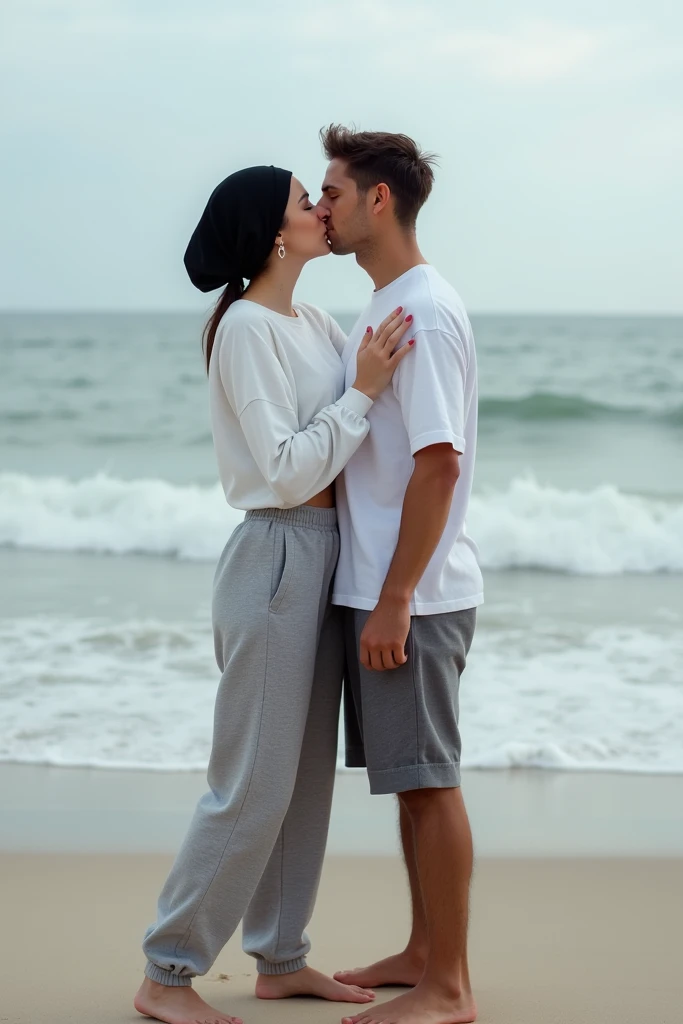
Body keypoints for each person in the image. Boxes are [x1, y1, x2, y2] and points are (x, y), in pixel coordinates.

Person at [133, 165, 415, 1024]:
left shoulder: (320, 322)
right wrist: (364, 389)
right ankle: (167, 974)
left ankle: (281, 958)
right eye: (304, 200)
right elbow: (289, 470)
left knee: (302, 779)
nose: (320, 209)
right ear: (271, 231)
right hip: (275, 557)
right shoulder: (247, 329)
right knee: (252, 781)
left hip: (329, 558)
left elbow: (359, 439)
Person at [317, 127, 484, 1024]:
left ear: (379, 199)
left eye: (334, 192)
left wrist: (394, 598)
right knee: (408, 782)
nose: (322, 207)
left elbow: (439, 464)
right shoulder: (389, 304)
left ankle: (449, 987)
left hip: (411, 597)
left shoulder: (422, 310)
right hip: (389, 589)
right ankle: (425, 952)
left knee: (429, 781)